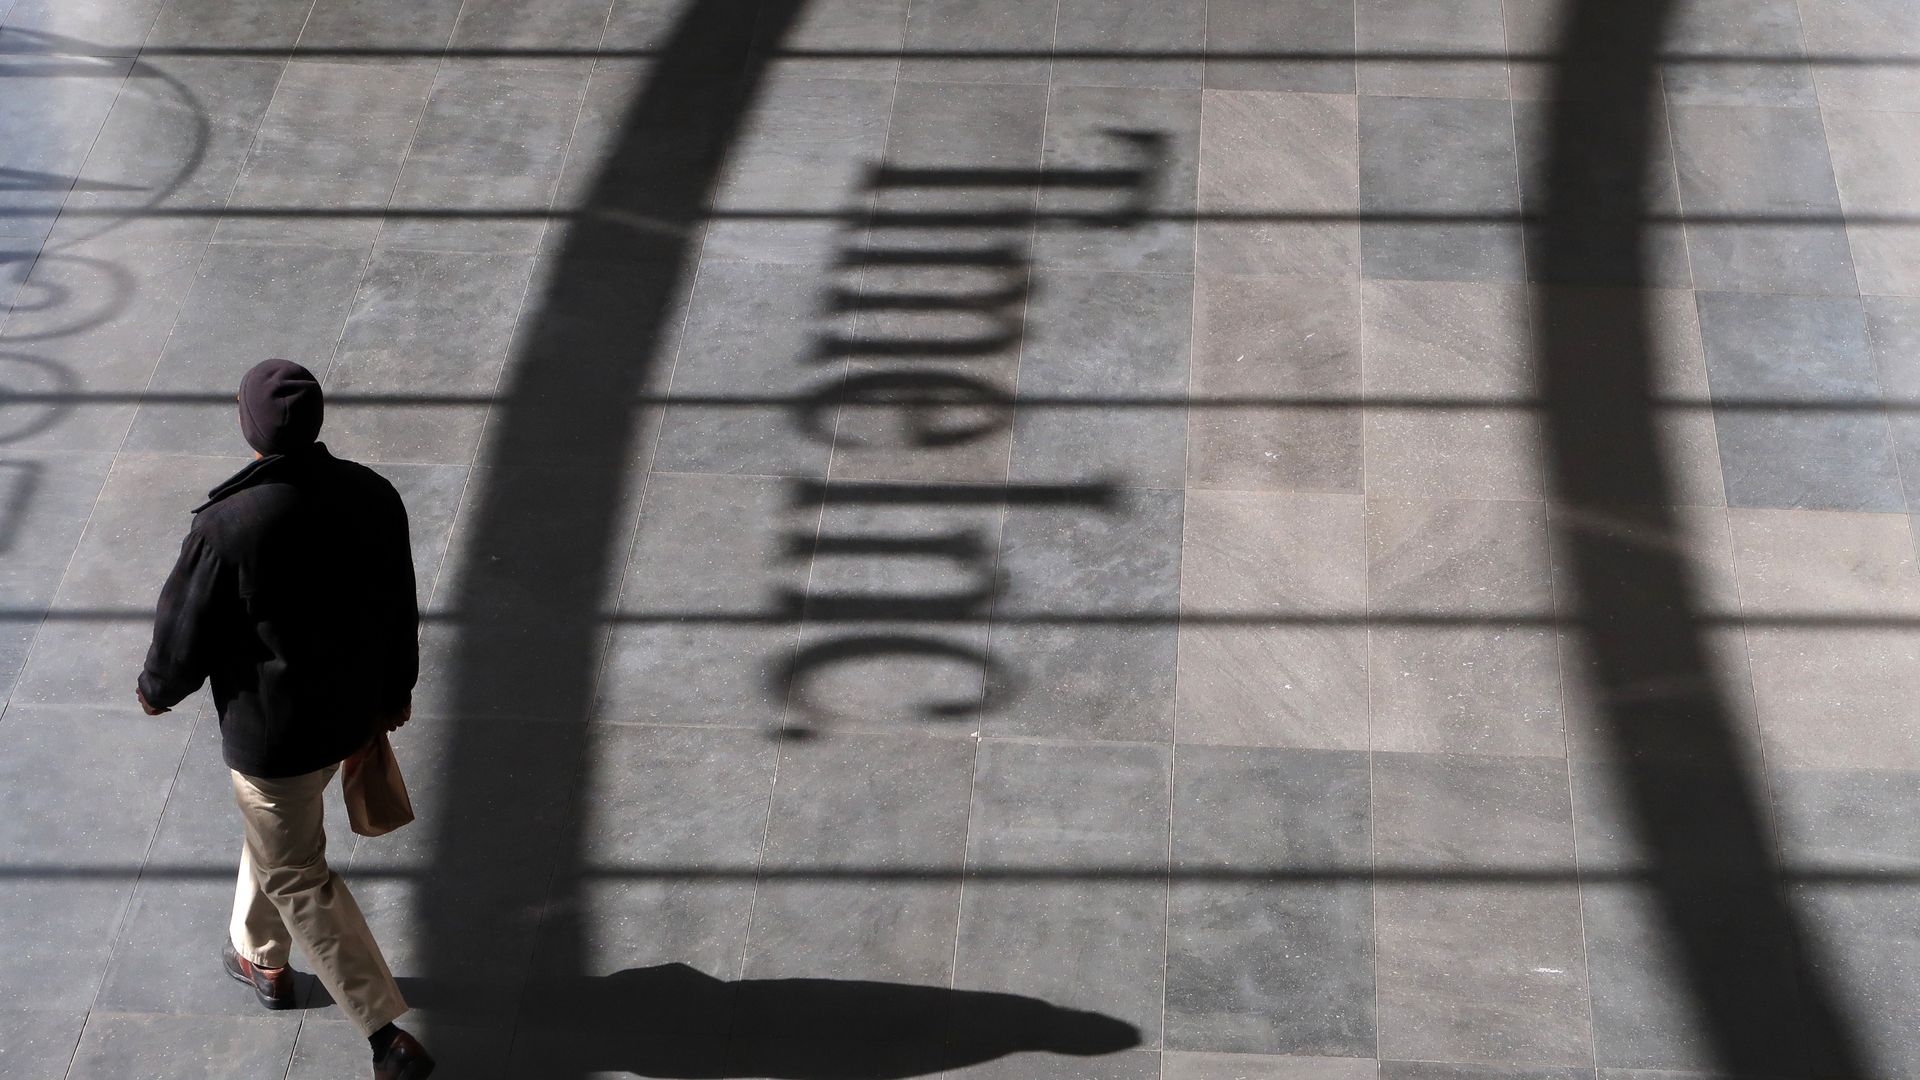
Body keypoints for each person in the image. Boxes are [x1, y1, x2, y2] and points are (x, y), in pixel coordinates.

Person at [136, 359, 435, 1080]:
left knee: (296, 868)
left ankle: (385, 1035)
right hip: (352, 715)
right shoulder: (372, 495)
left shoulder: (228, 525)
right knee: (278, 831)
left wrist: (155, 690)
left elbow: (183, 636)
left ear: (250, 430)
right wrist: (395, 693)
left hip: (276, 737)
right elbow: (401, 610)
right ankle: (260, 957)